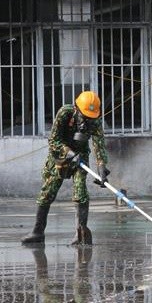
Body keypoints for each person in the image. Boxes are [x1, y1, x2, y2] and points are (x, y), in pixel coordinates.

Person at [21, 91, 110, 245]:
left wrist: (102, 167)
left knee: (80, 192)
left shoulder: (94, 121)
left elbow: (98, 144)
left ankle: (81, 234)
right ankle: (38, 232)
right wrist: (68, 153)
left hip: (80, 156)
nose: (87, 120)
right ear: (76, 108)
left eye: (91, 117)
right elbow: (53, 140)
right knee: (47, 192)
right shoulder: (65, 113)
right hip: (60, 156)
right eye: (85, 116)